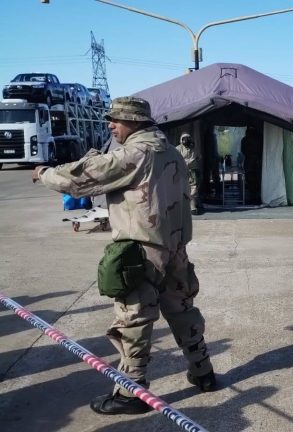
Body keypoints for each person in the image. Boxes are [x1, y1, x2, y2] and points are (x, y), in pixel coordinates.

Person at [32, 97, 216, 415]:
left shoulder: (135, 152)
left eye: (116, 120)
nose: (110, 125)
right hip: (175, 250)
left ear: (134, 121)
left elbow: (82, 176)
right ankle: (203, 372)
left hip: (142, 253)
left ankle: (132, 392)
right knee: (182, 310)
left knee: (134, 321)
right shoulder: (171, 150)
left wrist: (45, 173)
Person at [176, 132, 202, 215]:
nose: (186, 140)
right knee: (182, 188)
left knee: (194, 189)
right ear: (181, 140)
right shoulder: (178, 148)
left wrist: (194, 163)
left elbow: (199, 157)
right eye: (184, 139)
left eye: (187, 138)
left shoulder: (194, 148)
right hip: (182, 171)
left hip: (193, 171)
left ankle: (193, 207)